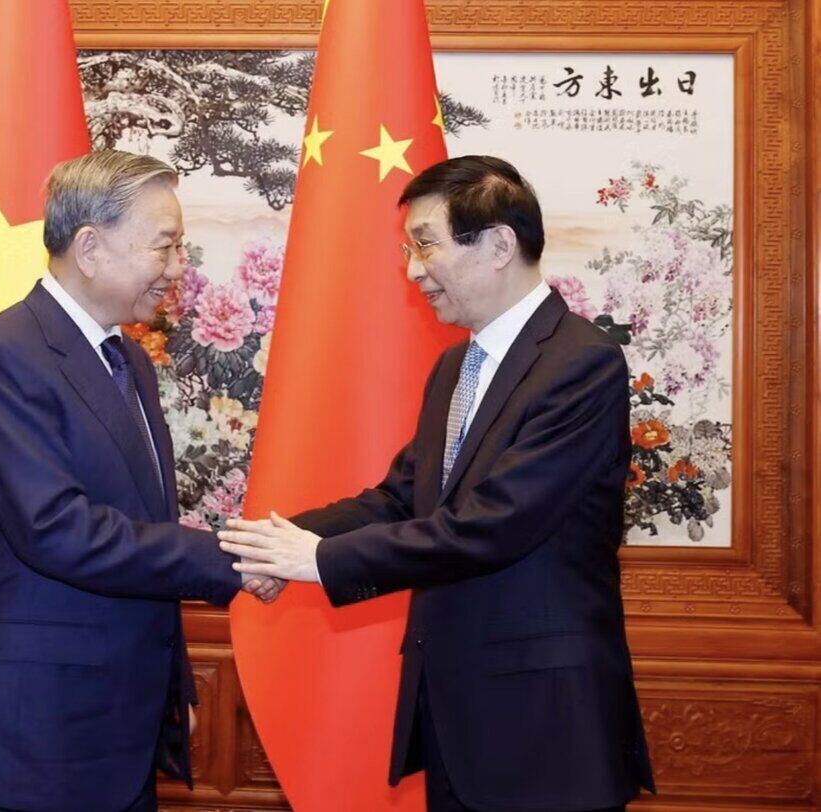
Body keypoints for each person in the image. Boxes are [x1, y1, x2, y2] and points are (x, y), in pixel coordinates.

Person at [219, 155, 655, 811]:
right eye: (407, 249)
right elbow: (399, 498)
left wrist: (320, 562)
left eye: (426, 245)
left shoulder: (579, 364)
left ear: (499, 244)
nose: (413, 271)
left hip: (544, 724)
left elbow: (493, 523)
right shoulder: (457, 365)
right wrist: (280, 540)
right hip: (457, 713)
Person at [0, 149, 281, 812]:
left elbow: (138, 524)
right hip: (40, 733)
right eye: (166, 247)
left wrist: (167, 694)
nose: (178, 269)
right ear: (89, 247)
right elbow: (59, 532)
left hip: (116, 723)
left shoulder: (126, 360)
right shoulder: (10, 354)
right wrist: (229, 558)